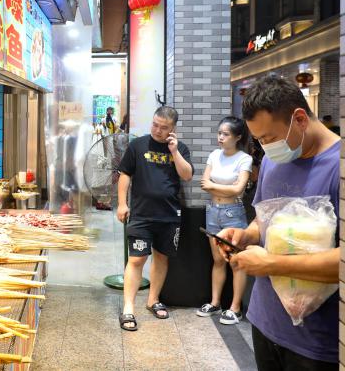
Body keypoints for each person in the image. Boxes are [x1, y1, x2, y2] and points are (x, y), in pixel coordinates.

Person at [218, 75, 340, 369]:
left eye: (269, 138)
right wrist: (246, 235)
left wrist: (271, 264)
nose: (266, 147)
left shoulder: (338, 167)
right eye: (258, 139)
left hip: (317, 342)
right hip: (265, 322)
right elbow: (264, 221)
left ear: (300, 119)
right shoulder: (274, 160)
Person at [116, 106, 194, 331]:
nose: (158, 130)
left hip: (169, 215)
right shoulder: (137, 145)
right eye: (155, 124)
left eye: (164, 127)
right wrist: (122, 203)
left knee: (161, 258)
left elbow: (187, 175)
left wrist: (174, 152)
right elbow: (124, 175)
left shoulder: (180, 148)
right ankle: (128, 308)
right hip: (141, 214)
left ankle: (153, 300)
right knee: (137, 259)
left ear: (173, 128)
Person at [197, 117, 252, 325]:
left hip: (233, 213)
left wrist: (214, 186)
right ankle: (215, 302)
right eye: (219, 133)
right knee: (218, 260)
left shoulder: (244, 159)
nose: (220, 137)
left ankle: (235, 308)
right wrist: (223, 188)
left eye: (226, 134)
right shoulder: (214, 155)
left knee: (235, 261)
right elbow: (204, 183)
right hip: (213, 211)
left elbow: (238, 189)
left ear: (237, 137)